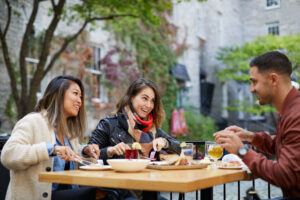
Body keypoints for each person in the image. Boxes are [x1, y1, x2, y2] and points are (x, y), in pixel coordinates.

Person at [214, 51, 300, 199]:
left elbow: (285, 175)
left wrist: (242, 151)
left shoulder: (296, 114)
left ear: (273, 79)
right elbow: (282, 144)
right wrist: (251, 137)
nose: (251, 89)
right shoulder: (291, 109)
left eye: (254, 82)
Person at [83, 78, 181, 199]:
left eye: (152, 101)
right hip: (118, 193)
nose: (149, 105)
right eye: (144, 98)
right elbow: (88, 156)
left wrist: (165, 142)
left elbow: (182, 148)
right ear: (131, 98)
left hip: (149, 191)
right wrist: (111, 150)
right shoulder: (109, 124)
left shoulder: (153, 130)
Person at [1, 75, 96, 200]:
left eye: (81, 97)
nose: (80, 101)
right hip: (40, 196)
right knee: (99, 194)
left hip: (67, 193)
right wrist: (51, 149)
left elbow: (72, 158)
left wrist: (85, 152)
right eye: (75, 94)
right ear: (58, 94)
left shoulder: (68, 132)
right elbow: (8, 154)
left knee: (109, 191)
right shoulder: (32, 121)